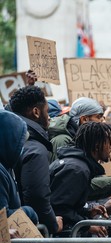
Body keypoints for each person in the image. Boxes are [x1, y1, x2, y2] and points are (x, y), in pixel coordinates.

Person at [9, 85, 63, 235]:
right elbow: (37, 196)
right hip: (26, 232)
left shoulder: (10, 140)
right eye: (47, 111)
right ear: (36, 112)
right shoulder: (35, 149)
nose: (50, 116)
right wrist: (52, 224)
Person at [49, 122, 111, 237]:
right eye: (108, 142)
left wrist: (87, 211)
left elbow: (68, 204)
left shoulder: (79, 166)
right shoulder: (77, 169)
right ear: (97, 145)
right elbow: (59, 208)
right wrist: (88, 226)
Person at [0, 110, 38, 224]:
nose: (22, 148)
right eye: (20, 143)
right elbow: (3, 216)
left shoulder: (7, 167)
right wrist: (29, 212)